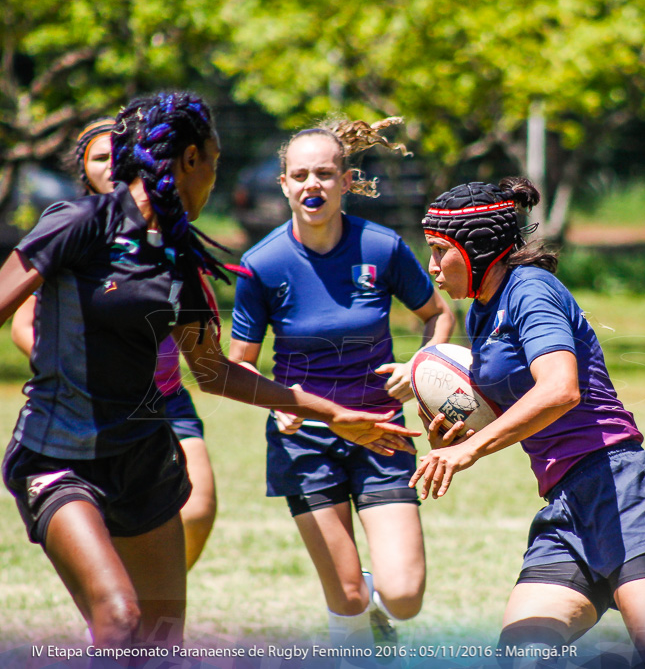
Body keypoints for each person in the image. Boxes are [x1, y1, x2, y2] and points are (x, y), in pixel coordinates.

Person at [0, 92, 418, 653]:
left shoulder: (182, 257)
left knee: (162, 642)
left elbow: (217, 373)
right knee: (120, 622)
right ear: (189, 161)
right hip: (59, 457)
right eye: (215, 166)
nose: (215, 183)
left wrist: (333, 412)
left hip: (145, 461)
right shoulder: (80, 224)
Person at [411, 178, 645, 667]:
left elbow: (560, 389)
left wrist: (470, 451)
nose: (432, 267)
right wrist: (456, 432)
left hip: (620, 487)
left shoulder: (531, 290)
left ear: (477, 248)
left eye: (442, 251)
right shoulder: (482, 313)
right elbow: (513, 403)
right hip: (565, 505)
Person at [227, 119, 455, 650]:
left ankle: (376, 605)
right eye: (300, 174)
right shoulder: (261, 265)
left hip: (380, 431)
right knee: (347, 600)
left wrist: (419, 365)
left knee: (404, 597)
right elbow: (239, 365)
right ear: (283, 184)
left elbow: (437, 315)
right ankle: (355, 631)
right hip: (305, 439)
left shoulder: (382, 247)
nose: (313, 185)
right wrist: (277, 403)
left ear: (347, 181)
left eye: (325, 174)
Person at [11, 117, 218, 571]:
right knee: (116, 607)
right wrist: (75, 366)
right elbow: (21, 320)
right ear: (84, 170)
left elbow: (213, 367)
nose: (111, 165)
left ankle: (141, 597)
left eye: (119, 155)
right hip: (72, 420)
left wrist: (312, 405)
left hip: (161, 406)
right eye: (100, 158)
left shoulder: (174, 245)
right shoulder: (72, 226)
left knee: (198, 510)